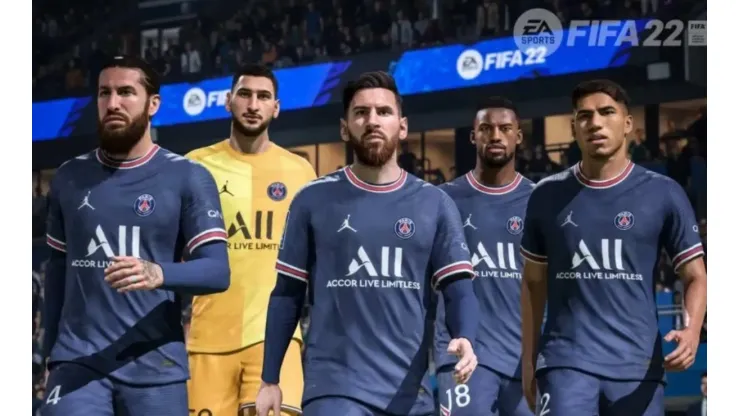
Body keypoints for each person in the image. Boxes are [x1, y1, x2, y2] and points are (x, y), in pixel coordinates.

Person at [255, 71, 480, 416]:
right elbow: (286, 293)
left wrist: (464, 334)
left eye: (383, 112)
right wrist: (269, 378)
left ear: (402, 126)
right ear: (344, 128)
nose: (372, 121)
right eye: (361, 113)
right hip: (333, 390)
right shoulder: (311, 200)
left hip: (410, 393)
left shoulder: (434, 203)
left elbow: (458, 288)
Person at [41, 55, 230, 416]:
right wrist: (52, 356)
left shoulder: (189, 177)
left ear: (153, 103)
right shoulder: (68, 177)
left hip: (157, 366)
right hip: (78, 361)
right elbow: (58, 270)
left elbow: (217, 271)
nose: (112, 103)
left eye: (126, 92)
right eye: (104, 93)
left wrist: (159, 273)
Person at [520, 79, 707, 416]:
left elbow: (696, 275)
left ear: (628, 124)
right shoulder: (545, 195)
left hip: (638, 368)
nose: (595, 122)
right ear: (575, 128)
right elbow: (533, 283)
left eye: (607, 112)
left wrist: (692, 330)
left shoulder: (664, 193)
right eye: (584, 116)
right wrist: (529, 362)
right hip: (565, 363)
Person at [186, 64, 316, 416]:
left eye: (263, 97)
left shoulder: (301, 172)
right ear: (228, 101)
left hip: (276, 340)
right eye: (244, 94)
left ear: (276, 107)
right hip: (208, 340)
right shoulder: (194, 167)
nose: (253, 104)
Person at [435, 97, 534, 416]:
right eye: (486, 128)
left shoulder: (540, 201)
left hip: (525, 360)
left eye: (505, 129)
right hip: (463, 358)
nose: (495, 136)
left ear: (518, 136)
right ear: (472, 136)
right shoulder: (443, 200)